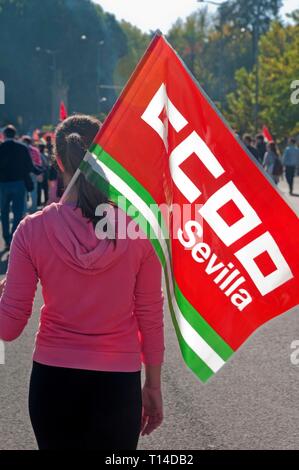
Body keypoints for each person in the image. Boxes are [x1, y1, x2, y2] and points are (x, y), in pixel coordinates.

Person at [0, 114, 165, 450]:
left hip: (53, 381)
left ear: (57, 160)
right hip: (118, 383)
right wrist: (153, 385)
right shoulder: (139, 230)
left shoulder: (31, 230)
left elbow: (8, 327)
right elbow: (150, 316)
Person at [0, 125, 37, 250]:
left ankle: (6, 239)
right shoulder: (22, 148)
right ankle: (13, 238)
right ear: (15, 135)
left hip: (2, 185)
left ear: (4, 135)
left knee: (4, 212)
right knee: (17, 212)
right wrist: (40, 171)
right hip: (18, 184)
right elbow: (29, 166)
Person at [22, 136, 42, 213]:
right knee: (34, 191)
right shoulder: (35, 150)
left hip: (24, 173)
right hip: (34, 172)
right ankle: (33, 209)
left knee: (24, 193)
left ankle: (24, 210)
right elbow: (39, 163)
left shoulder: (21, 149)